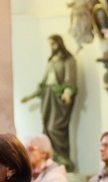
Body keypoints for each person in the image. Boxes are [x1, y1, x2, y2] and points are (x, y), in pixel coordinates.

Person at [20, 34, 77, 172]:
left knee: (54, 128)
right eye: (50, 45)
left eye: (53, 44)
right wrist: (30, 96)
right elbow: (44, 83)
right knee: (47, 127)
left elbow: (70, 79)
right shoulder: (51, 61)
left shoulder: (68, 60)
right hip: (48, 96)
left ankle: (62, 157)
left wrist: (67, 92)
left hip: (59, 98)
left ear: (59, 43)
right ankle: (52, 157)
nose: (52, 47)